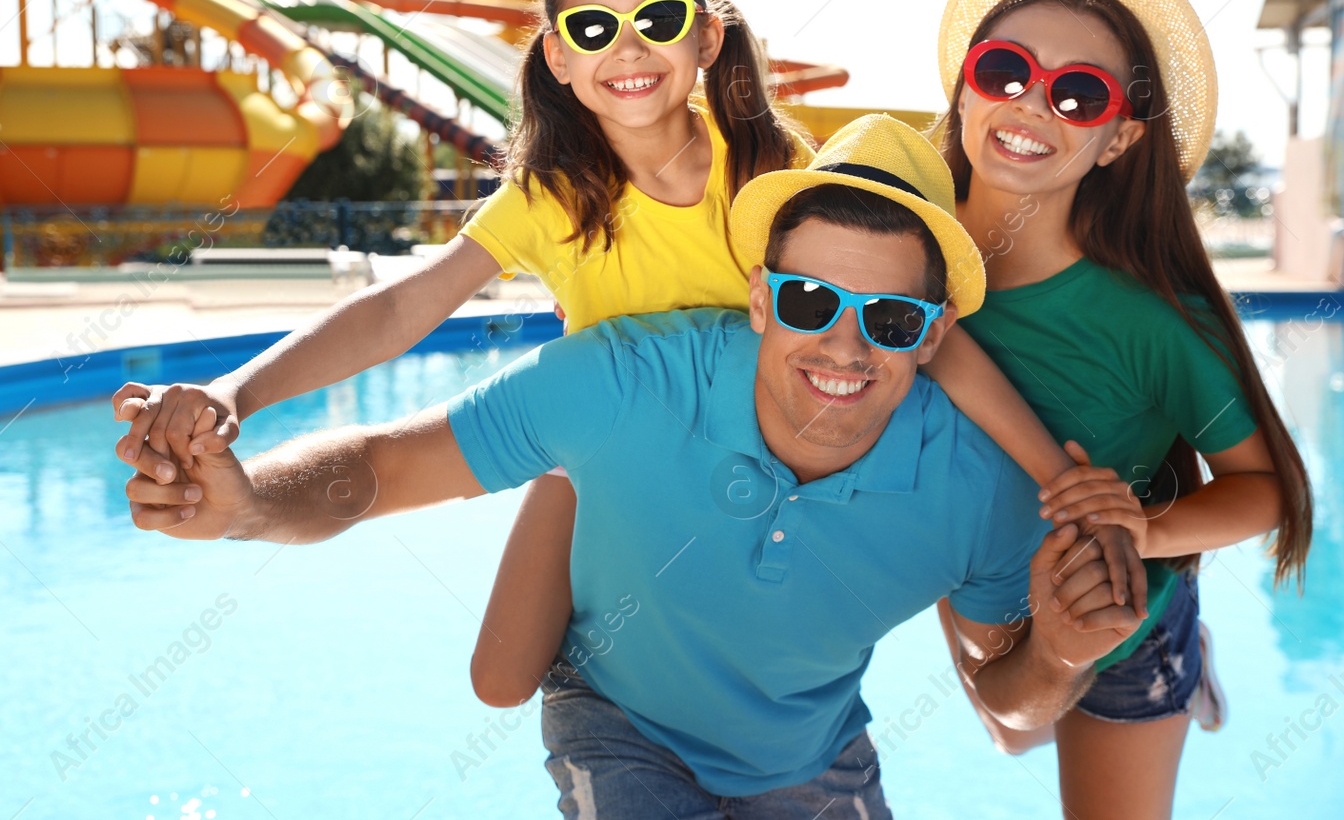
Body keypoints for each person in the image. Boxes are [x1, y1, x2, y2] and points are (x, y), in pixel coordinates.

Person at [111, 0, 1138, 710]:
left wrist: (1056, 477)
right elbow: (400, 310)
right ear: (558, 55)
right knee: (500, 680)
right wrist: (237, 389)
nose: (628, 47)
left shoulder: (775, 175)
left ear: (705, 38)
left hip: (761, 444)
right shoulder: (553, 197)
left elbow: (916, 331)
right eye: (593, 28)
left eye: (658, 20)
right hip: (610, 447)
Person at [118, 115, 1141, 818]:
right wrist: (247, 506)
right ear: (757, 295)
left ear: (932, 335)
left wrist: (1056, 654)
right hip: (619, 716)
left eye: (886, 317)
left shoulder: (981, 487)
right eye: (806, 302)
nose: (841, 346)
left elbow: (1011, 713)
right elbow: (384, 465)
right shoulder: (629, 378)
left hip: (813, 751)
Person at [928, 0, 1314, 819]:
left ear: (1118, 138)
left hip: (1128, 618)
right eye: (1004, 68)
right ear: (964, 88)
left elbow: (1268, 491)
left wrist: (1142, 528)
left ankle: (1189, 653)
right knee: (1012, 729)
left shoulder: (1151, 321)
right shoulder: (894, 251)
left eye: (1078, 94)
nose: (1032, 103)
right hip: (977, 575)